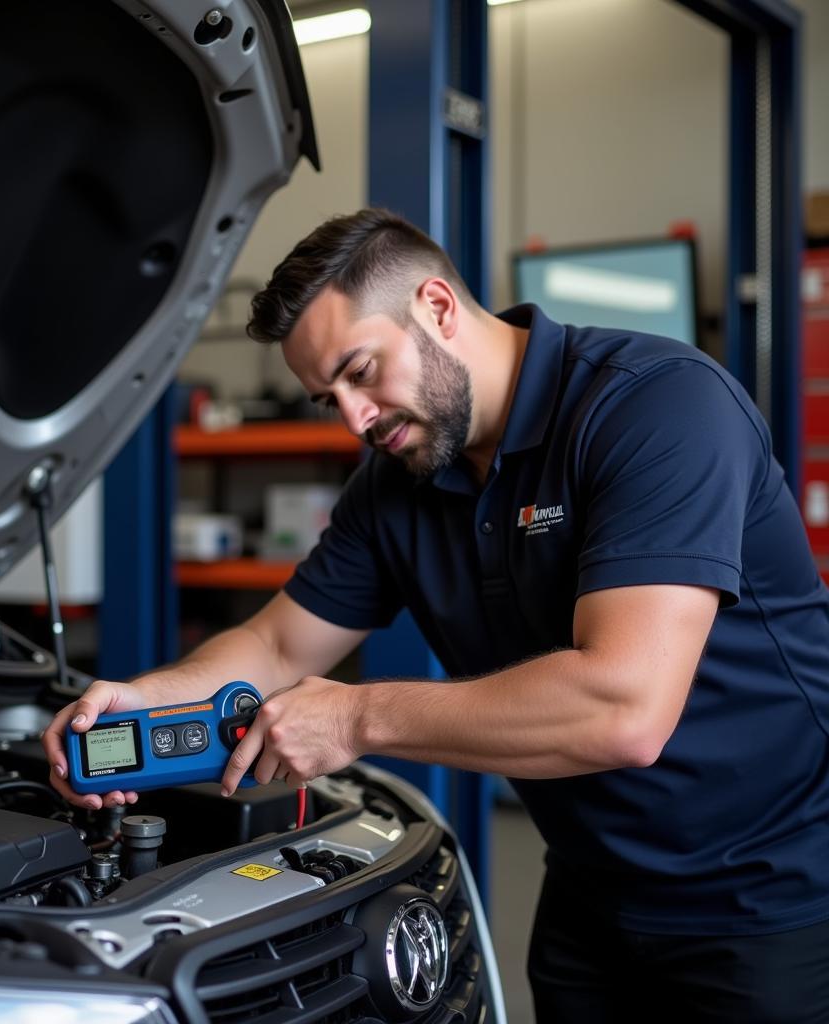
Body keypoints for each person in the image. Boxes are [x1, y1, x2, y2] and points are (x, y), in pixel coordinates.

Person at [44, 208, 829, 1021]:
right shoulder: (397, 487)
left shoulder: (657, 409)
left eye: (361, 371)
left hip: (769, 899)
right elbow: (278, 643)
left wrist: (357, 716)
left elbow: (624, 709)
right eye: (329, 398)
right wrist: (154, 697)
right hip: (590, 897)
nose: (355, 420)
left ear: (438, 307)